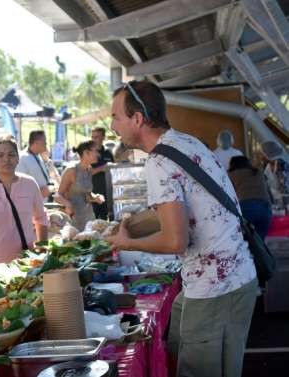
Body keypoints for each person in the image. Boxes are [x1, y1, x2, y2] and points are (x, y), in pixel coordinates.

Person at [106, 81, 257, 377]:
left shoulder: (158, 161)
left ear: (137, 119)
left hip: (215, 288)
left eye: (116, 117)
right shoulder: (185, 142)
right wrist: (132, 226)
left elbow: (175, 241)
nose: (112, 126)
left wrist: (127, 243)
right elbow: (186, 208)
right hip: (239, 277)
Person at [0, 135, 49, 264]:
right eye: (0, 155)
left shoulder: (29, 183)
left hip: (25, 261)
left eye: (11, 155)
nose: (6, 159)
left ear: (18, 158)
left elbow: (41, 218)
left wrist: (42, 249)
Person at [55, 141, 105, 231]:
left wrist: (96, 197)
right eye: (96, 151)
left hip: (88, 217)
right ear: (86, 153)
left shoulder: (89, 169)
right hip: (73, 220)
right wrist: (68, 204)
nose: (98, 154)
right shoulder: (71, 170)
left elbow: (87, 194)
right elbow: (58, 196)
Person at [228, 156, 272, 240]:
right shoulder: (257, 172)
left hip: (246, 208)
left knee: (245, 242)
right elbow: (266, 189)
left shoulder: (231, 175)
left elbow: (229, 194)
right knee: (259, 243)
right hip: (265, 209)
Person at [17, 130, 52, 199]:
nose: (46, 144)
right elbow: (20, 185)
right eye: (44, 142)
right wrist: (40, 193)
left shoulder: (37, 155)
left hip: (42, 202)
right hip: (31, 204)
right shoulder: (22, 158)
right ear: (36, 143)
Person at [90, 127, 114, 219]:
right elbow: (84, 173)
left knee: (105, 221)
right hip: (92, 194)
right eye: (92, 137)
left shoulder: (108, 153)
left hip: (107, 192)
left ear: (103, 138)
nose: (94, 140)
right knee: (93, 221)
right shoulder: (89, 153)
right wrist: (101, 168)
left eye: (96, 137)